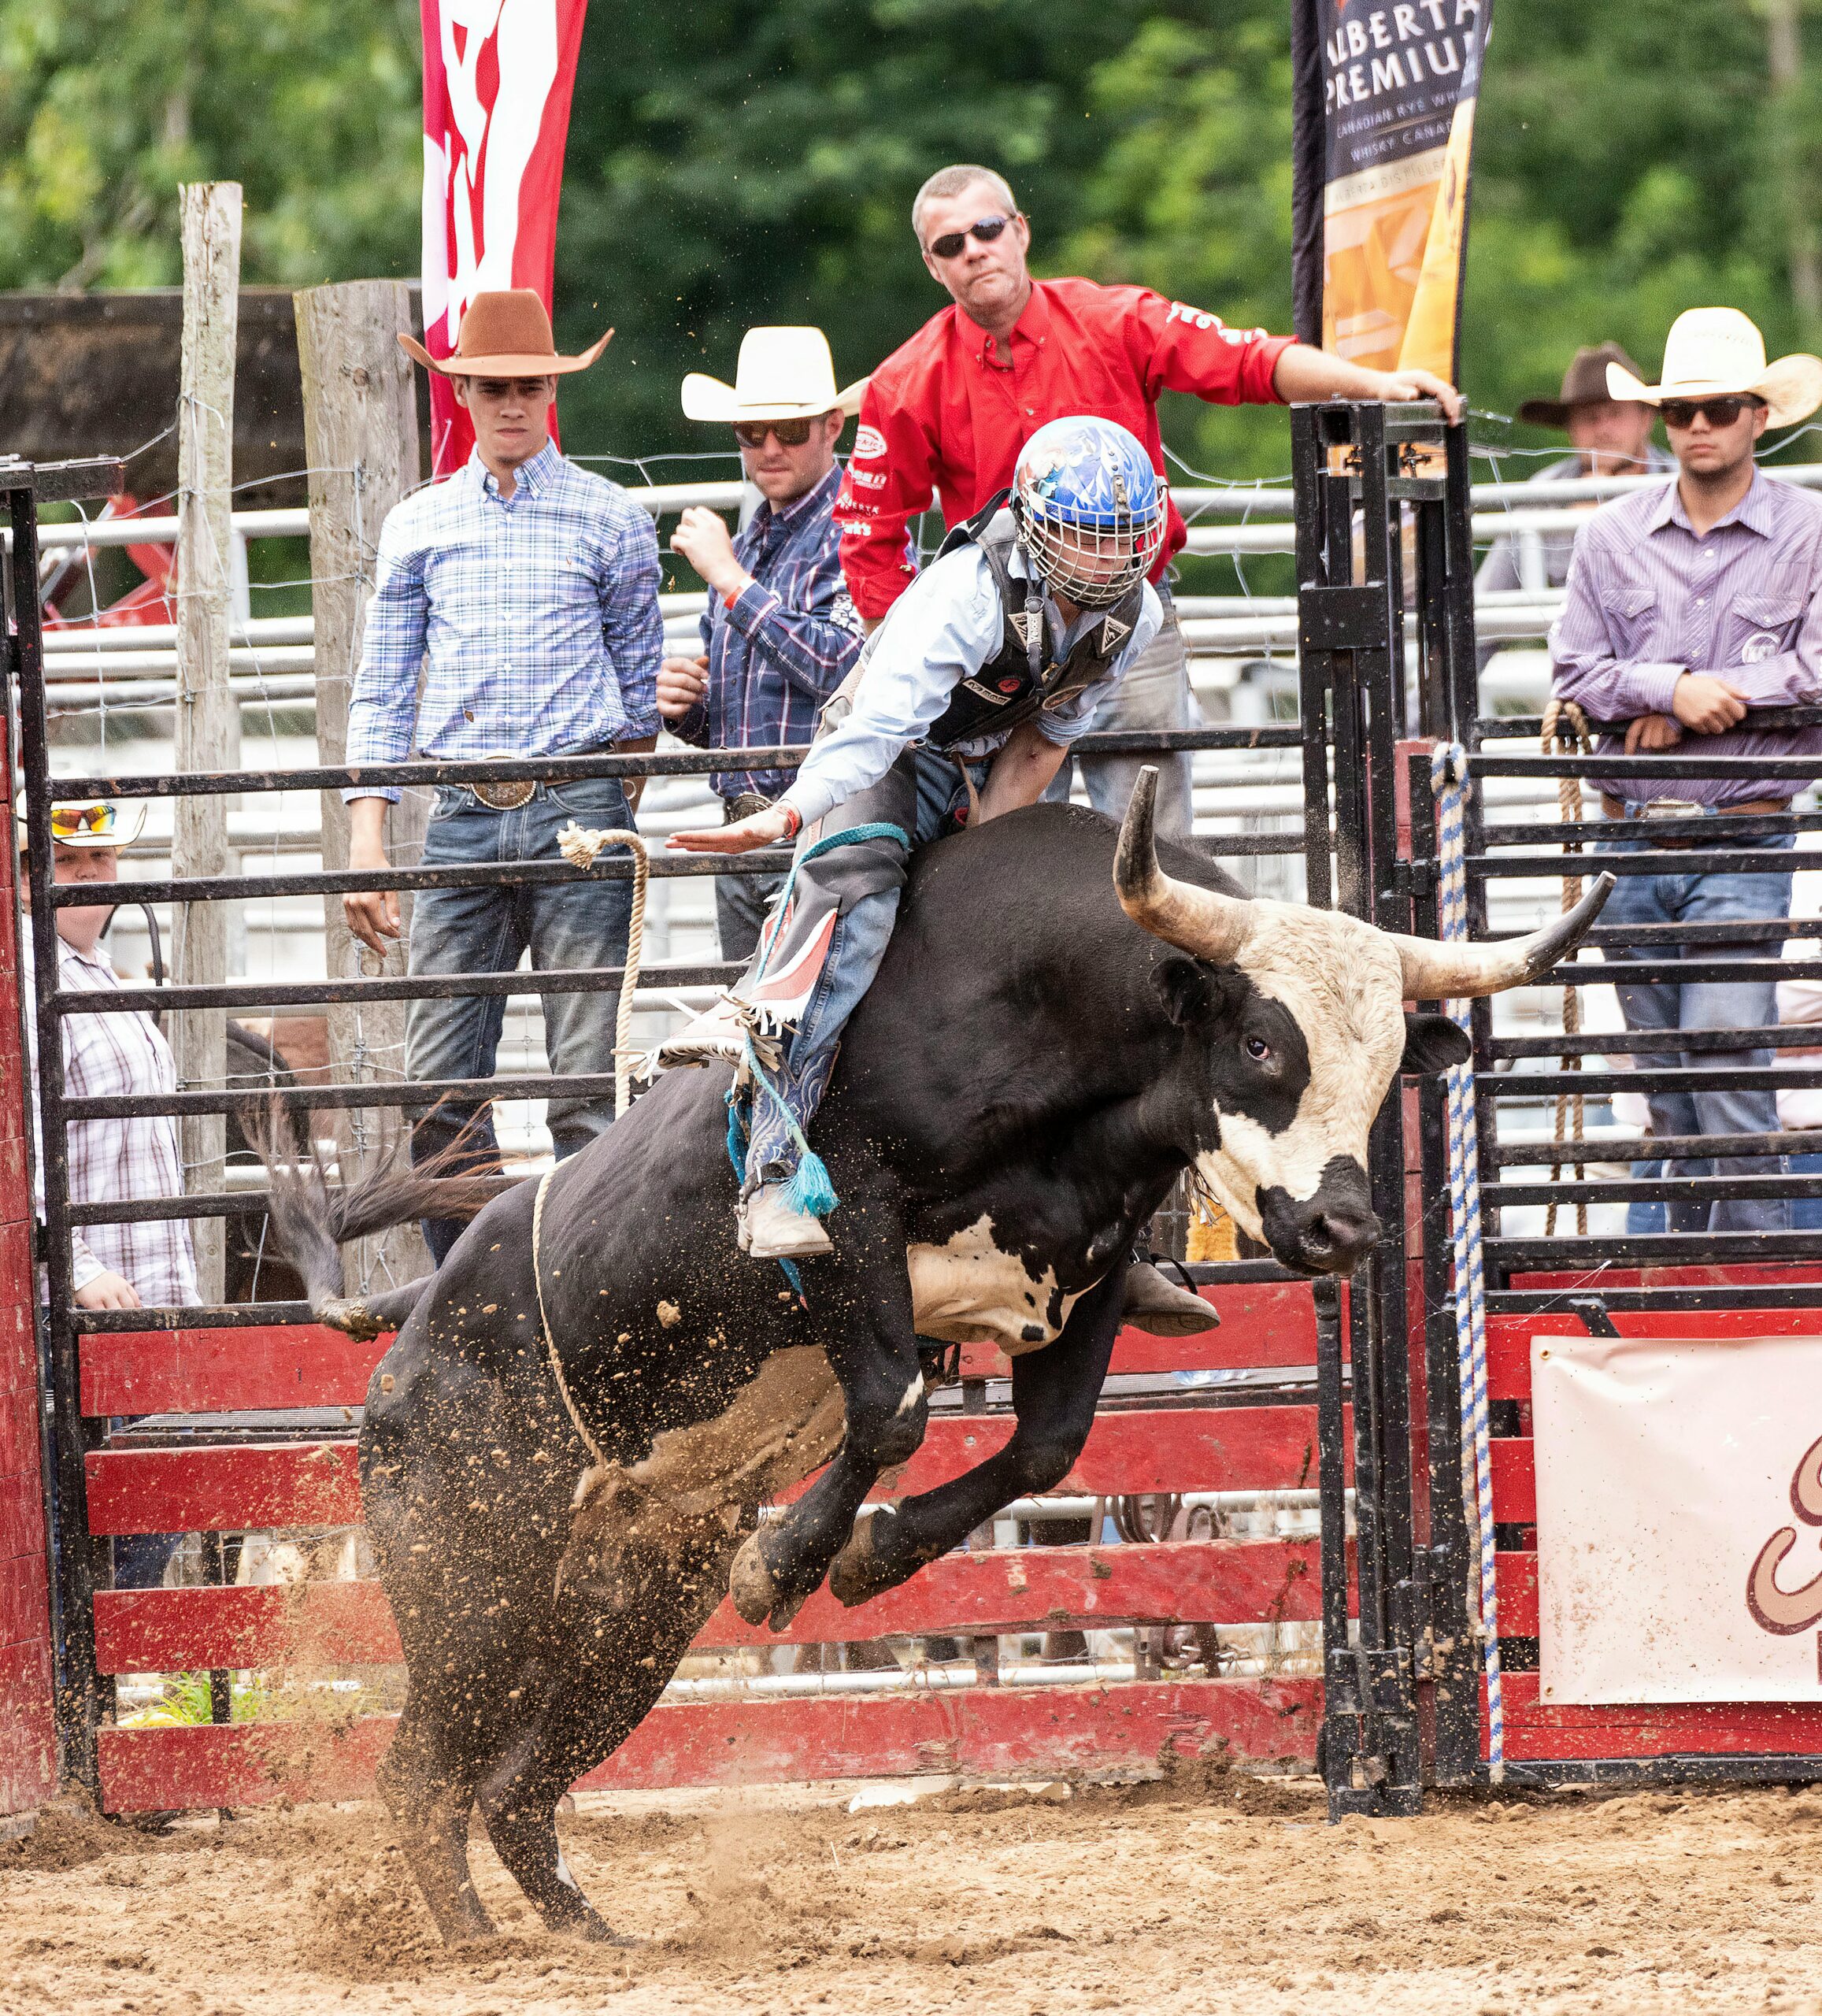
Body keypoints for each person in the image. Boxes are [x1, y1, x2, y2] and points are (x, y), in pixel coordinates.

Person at [662, 413, 1215, 1337]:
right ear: (1038, 526)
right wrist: (791, 813)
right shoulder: (964, 592)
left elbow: (1044, 743)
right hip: (890, 753)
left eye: (1121, 540)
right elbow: (873, 733)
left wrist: (980, 877)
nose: (1103, 559)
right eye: (1082, 537)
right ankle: (770, 1168)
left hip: (990, 766)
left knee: (1059, 935)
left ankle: (1104, 1240)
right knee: (857, 901)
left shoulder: (1136, 614)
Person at [834, 162, 1463, 836]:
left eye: (986, 229)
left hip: (1129, 621)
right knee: (1003, 850)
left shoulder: (1114, 320)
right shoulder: (905, 381)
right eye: (950, 244)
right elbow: (868, 535)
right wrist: (916, 662)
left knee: (1154, 839)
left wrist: (1374, 385)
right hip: (1001, 648)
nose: (973, 250)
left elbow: (1247, 360)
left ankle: (1154, 946)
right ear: (933, 266)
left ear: (1020, 231)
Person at [342, 290, 665, 1262]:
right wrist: (367, 833)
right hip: (465, 811)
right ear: (464, 394)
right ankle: (473, 1298)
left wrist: (613, 800)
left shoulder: (612, 521)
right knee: (442, 1085)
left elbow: (639, 691)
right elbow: (383, 686)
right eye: (494, 388)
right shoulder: (419, 524)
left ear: (549, 392)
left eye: (528, 386)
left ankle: (585, 1296)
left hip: (578, 800)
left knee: (583, 1085)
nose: (512, 404)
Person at [1550, 306, 1822, 1236]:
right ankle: (1696, 1299)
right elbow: (1572, 675)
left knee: (1724, 1067)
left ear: (1756, 416)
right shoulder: (1609, 536)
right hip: (1634, 837)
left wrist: (1699, 698)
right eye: (1680, 412)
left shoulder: (1808, 530)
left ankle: (1742, 1298)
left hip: (1742, 831)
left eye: (1716, 409)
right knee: (1669, 1087)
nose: (1696, 427)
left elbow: (1817, 669)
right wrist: (1668, 686)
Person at [20, 798, 197, 1588]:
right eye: (66, 862)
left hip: (150, 1288)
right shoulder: (25, 983)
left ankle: (99, 1692)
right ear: (27, 878)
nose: (89, 876)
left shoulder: (97, 973)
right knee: (98, 1520)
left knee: (147, 1508)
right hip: (87, 1298)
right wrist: (77, 1260)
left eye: (101, 860)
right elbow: (15, 1140)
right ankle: (74, 1695)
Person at [657, 327, 871, 960]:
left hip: (822, 835)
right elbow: (732, 712)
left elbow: (848, 668)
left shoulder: (860, 526)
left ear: (832, 426)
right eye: (752, 433)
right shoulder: (748, 543)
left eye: (791, 430)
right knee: (746, 1039)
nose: (769, 448)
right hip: (742, 836)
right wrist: (687, 708)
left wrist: (729, 580)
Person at [1476, 344, 1676, 669]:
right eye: (1589, 418)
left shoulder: (1682, 483)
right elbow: (1487, 611)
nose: (1603, 429)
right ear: (1570, 429)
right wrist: (1428, 715)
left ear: (1646, 418)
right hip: (1583, 679)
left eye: (1615, 413)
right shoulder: (1545, 494)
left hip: (1679, 678)